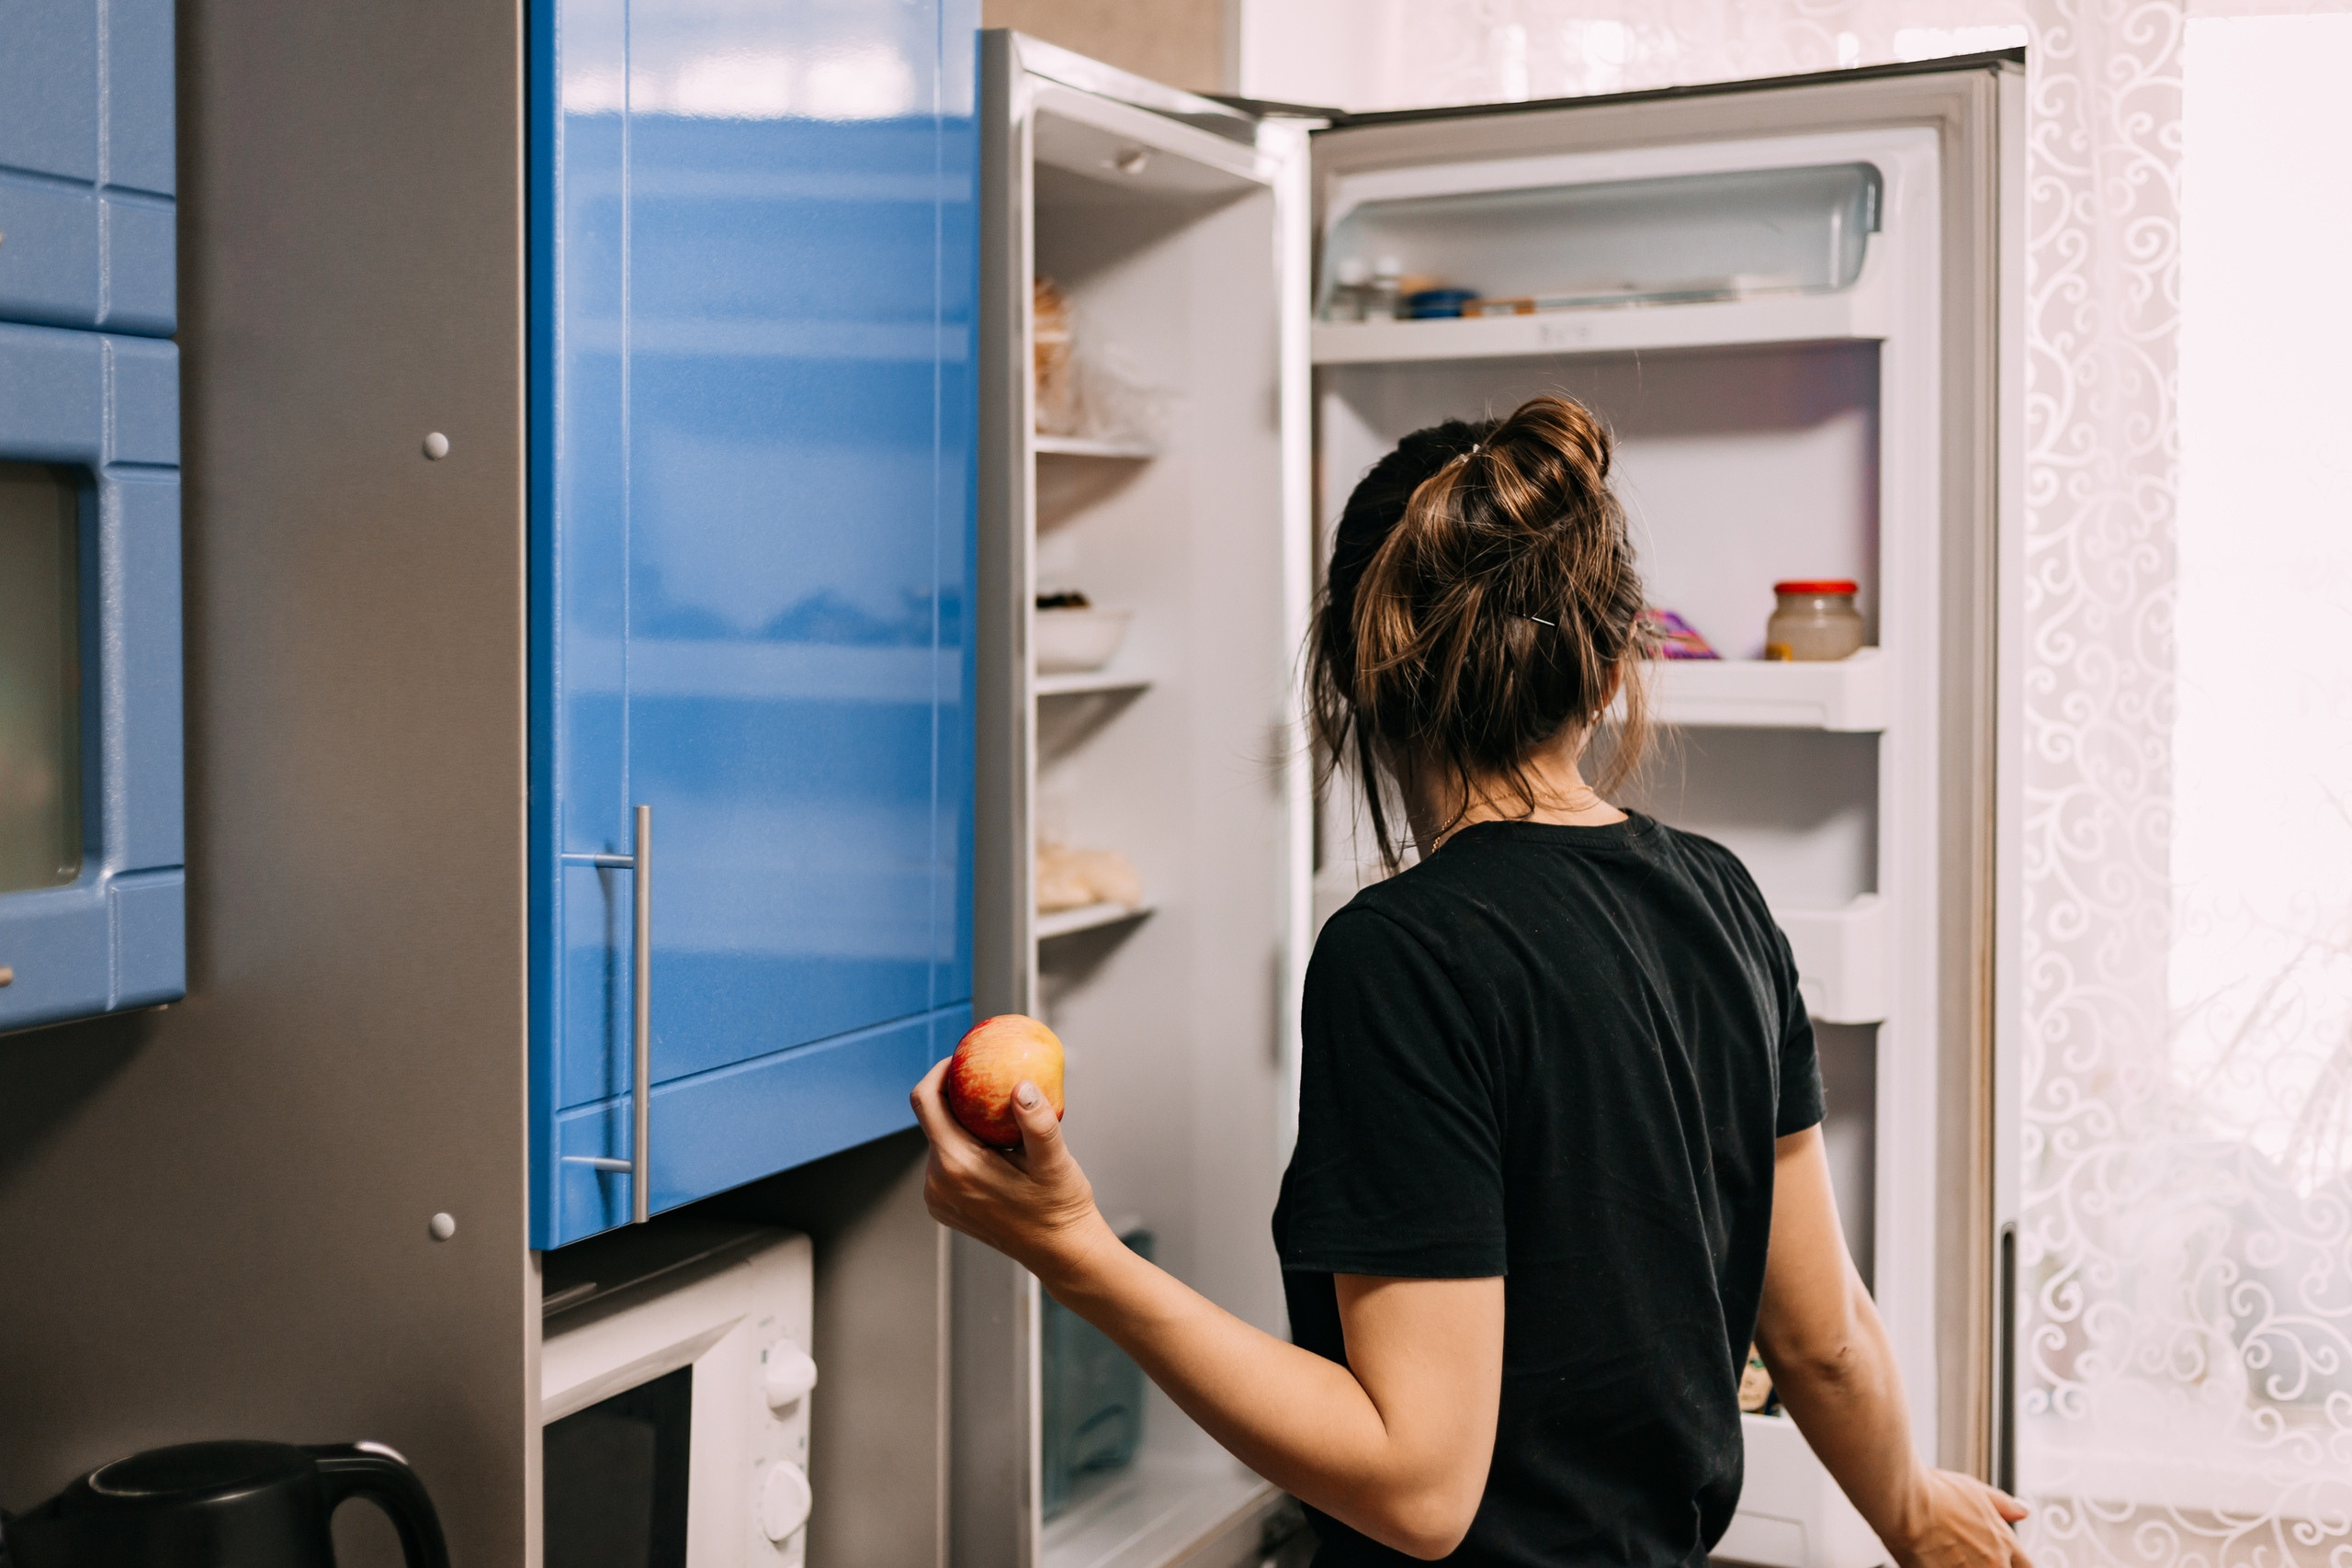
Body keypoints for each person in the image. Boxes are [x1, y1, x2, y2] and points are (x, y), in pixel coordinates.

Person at [910, 394, 2032, 1568]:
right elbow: (1822, 1340)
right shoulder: (1723, 898)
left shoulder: (1401, 955)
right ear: (1610, 668)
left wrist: (1076, 1251)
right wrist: (1910, 1507)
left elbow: (1418, 1488)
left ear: (1351, 672)